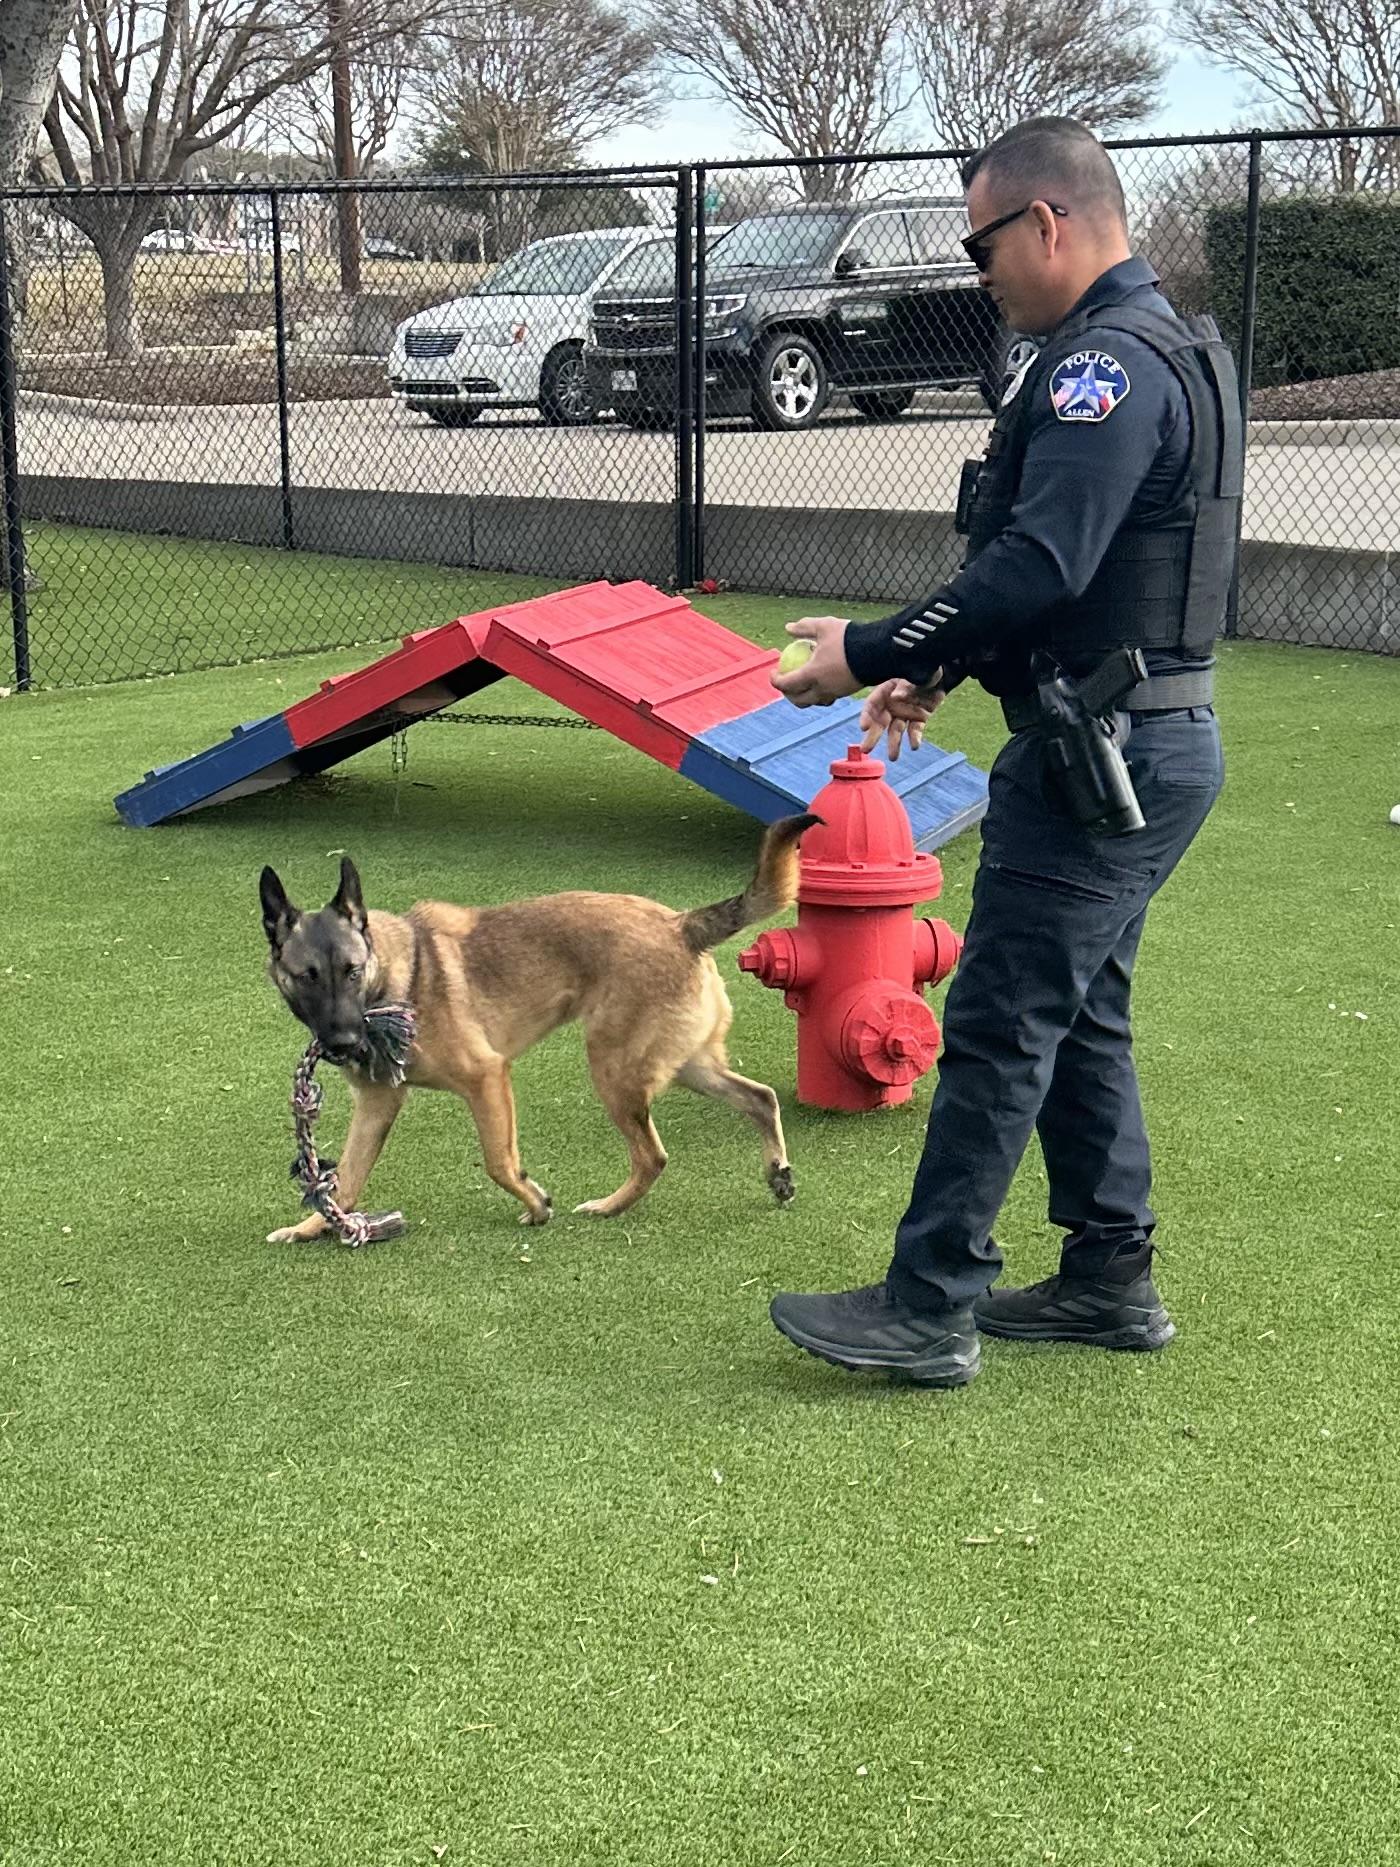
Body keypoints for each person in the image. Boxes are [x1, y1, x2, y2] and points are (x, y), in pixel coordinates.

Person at [767, 117, 1242, 1388]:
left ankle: (926, 1304)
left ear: (1046, 221)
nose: (977, 273)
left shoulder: (1103, 370)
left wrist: (866, 650)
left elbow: (1041, 563)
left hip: (1102, 754)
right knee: (1078, 1011)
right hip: (1143, 735)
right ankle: (1105, 1277)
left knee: (995, 1017)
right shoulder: (1172, 350)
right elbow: (1061, 582)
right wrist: (937, 661)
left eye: (982, 245)